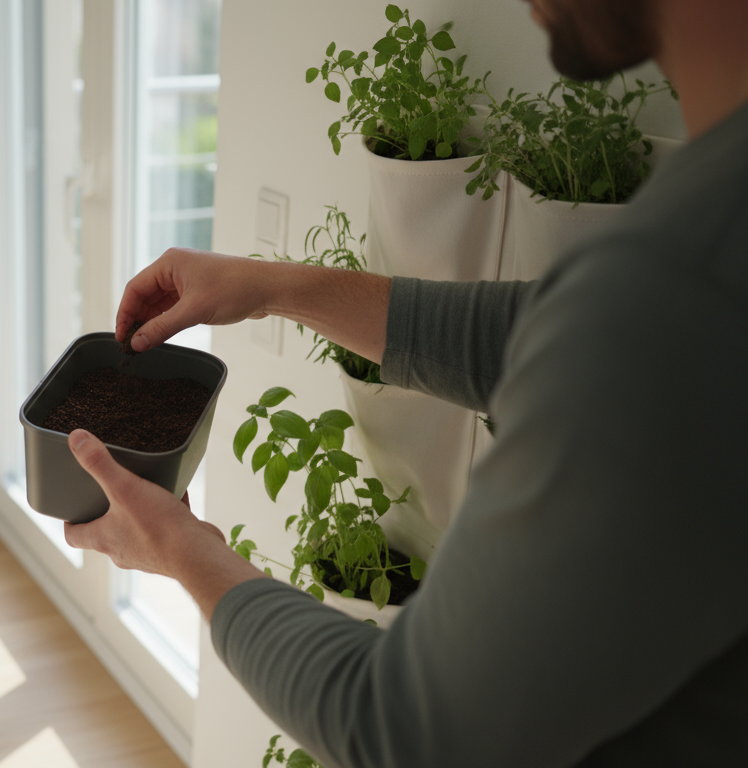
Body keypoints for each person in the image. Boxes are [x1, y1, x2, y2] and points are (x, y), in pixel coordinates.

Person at [61, 0, 748, 765]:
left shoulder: (681, 284)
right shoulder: (702, 247)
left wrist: (182, 549)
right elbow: (532, 333)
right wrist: (273, 286)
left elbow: (401, 728)